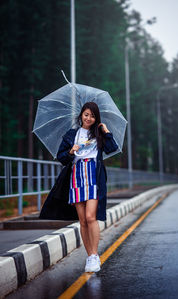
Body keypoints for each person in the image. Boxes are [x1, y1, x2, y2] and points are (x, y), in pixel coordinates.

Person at [40, 101, 118, 272]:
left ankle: (95, 255)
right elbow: (61, 157)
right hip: (76, 176)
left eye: (93, 115)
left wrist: (106, 131)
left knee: (91, 217)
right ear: (81, 115)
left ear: (97, 118)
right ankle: (89, 256)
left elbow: (112, 148)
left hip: (93, 176)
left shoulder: (99, 134)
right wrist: (70, 151)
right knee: (82, 220)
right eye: (86, 114)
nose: (89, 118)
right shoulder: (71, 134)